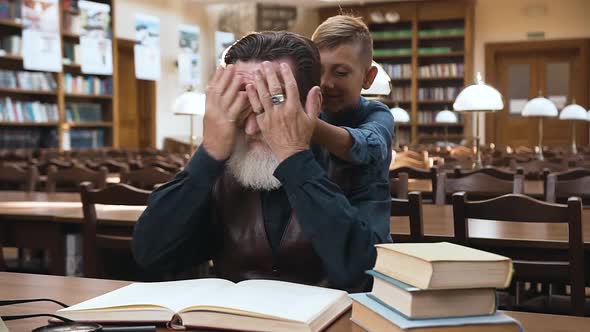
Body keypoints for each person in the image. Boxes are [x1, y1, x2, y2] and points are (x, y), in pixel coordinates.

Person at [132, 31, 391, 290]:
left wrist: (294, 158)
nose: (254, 127)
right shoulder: (225, 163)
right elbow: (151, 254)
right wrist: (208, 154)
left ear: (312, 104)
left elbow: (365, 273)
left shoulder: (355, 163)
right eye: (242, 103)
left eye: (273, 102)